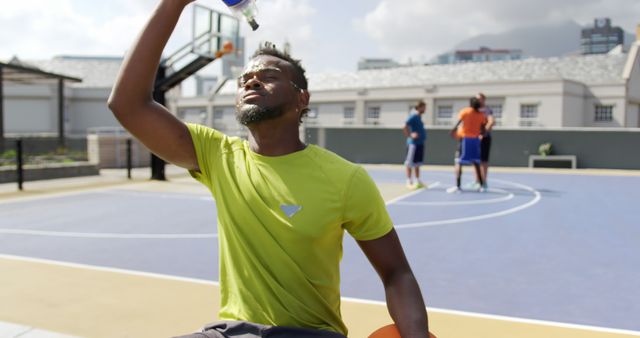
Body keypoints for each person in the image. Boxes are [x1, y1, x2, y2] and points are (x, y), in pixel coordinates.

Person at [107, 1, 429, 337]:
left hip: (309, 333)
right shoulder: (218, 156)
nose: (251, 82)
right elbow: (127, 104)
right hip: (231, 332)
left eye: (269, 77)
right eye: (244, 79)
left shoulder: (345, 178)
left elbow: (396, 273)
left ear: (301, 99)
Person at [446, 97, 487, 193]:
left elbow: (458, 123)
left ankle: (458, 186)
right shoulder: (481, 115)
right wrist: (480, 134)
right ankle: (481, 186)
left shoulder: (465, 112)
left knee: (459, 162)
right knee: (476, 163)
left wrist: (452, 131)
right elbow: (483, 130)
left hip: (465, 140)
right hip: (476, 140)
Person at [403, 100, 427, 189]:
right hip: (413, 144)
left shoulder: (419, 117)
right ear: (419, 107)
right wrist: (410, 135)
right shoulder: (413, 116)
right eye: (424, 107)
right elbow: (404, 126)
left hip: (420, 144)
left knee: (417, 164)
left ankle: (418, 180)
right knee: (409, 163)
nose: (425, 109)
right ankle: (409, 181)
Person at [476, 93, 494, 189]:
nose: (478, 100)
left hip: (485, 138)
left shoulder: (487, 110)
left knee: (484, 161)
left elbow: (491, 121)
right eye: (477, 99)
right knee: (476, 161)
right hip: (474, 138)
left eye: (480, 99)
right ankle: (477, 181)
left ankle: (484, 181)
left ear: (484, 99)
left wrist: (483, 133)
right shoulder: (474, 110)